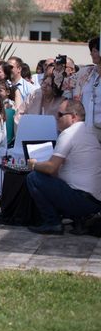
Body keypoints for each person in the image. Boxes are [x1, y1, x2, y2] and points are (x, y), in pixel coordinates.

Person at [26, 99, 101, 235]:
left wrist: (34, 164)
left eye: (60, 115)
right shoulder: (89, 132)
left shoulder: (69, 134)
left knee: (34, 178)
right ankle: (79, 219)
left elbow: (51, 168)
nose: (56, 118)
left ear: (73, 117)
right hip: (95, 202)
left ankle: (52, 222)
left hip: (82, 200)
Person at [75, 37, 101, 142]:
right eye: (91, 51)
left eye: (95, 50)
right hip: (87, 127)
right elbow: (66, 83)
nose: (91, 54)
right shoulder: (87, 73)